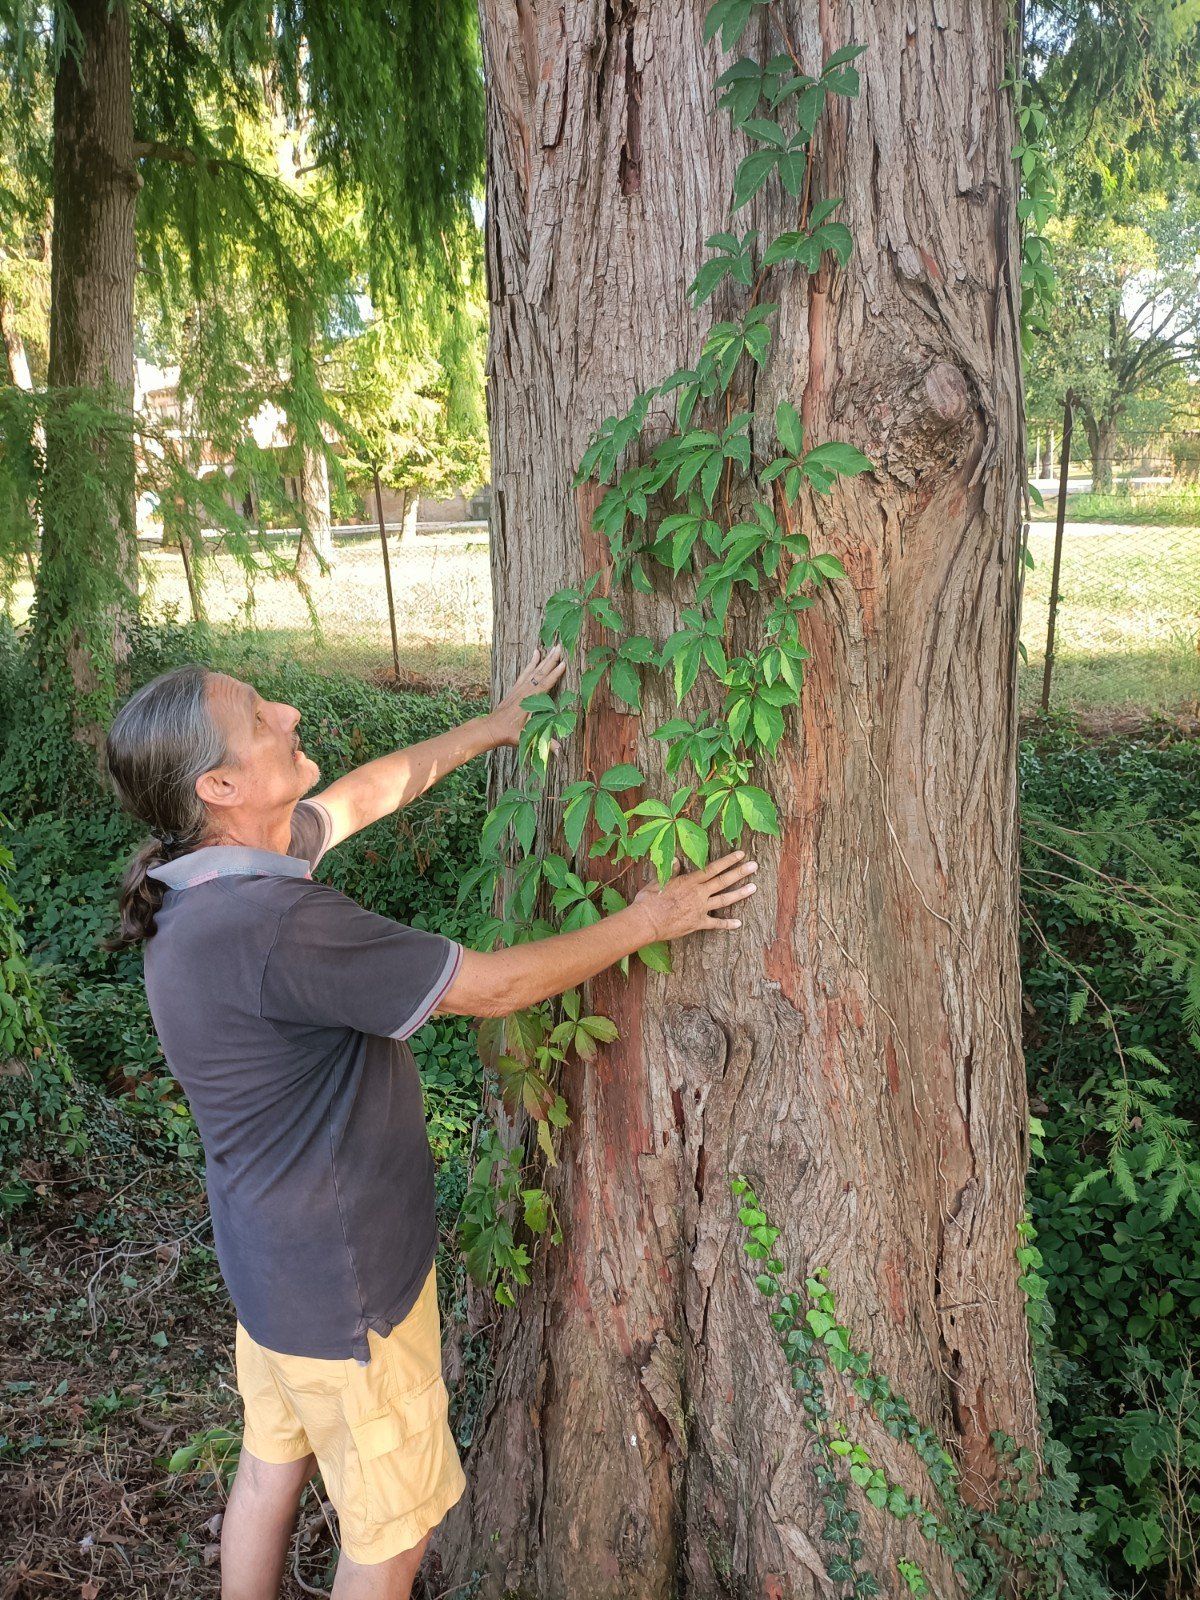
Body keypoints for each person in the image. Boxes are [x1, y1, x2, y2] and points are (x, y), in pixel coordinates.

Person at [104, 649, 757, 1600]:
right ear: (221, 785)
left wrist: (496, 726)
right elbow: (493, 988)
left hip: (270, 1276)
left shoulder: (197, 881)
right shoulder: (279, 925)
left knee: (268, 1472)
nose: (287, 710)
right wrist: (646, 920)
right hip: (349, 1301)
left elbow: (364, 796)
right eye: (258, 717)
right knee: (392, 1537)